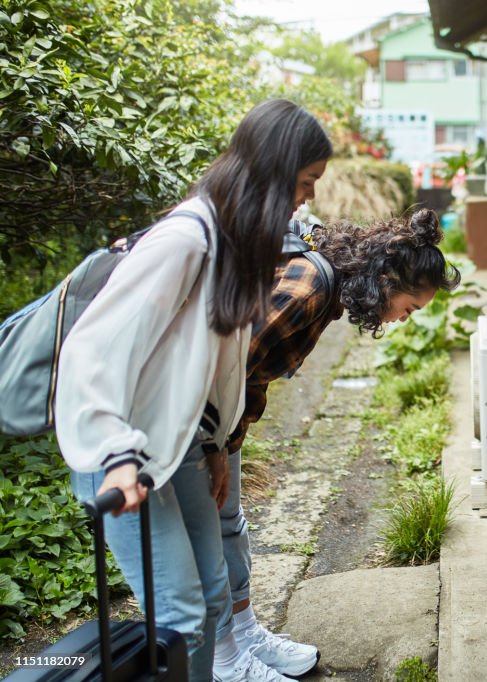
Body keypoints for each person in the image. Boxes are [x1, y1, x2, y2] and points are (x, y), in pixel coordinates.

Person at [56, 99, 332, 682]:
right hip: (124, 453)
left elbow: (212, 367)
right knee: (181, 613)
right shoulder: (185, 241)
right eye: (305, 183)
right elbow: (91, 352)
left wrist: (216, 447)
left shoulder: (234, 245)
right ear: (274, 171)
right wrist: (114, 458)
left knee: (210, 599)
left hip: (179, 444)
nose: (307, 198)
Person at [210, 209, 461, 677]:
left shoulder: (328, 288)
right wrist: (211, 450)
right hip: (197, 428)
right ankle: (224, 661)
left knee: (229, 528)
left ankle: (243, 636)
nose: (404, 320)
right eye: (409, 308)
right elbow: (218, 368)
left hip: (222, 427)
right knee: (208, 538)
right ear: (386, 280)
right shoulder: (309, 286)